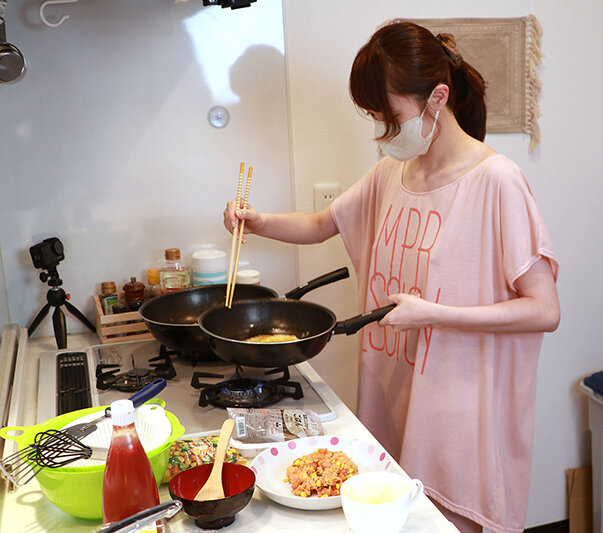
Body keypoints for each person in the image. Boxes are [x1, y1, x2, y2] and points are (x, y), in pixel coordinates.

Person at [224, 22, 559, 533]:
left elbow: (544, 309)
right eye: (376, 118)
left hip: (460, 420)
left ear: (437, 98)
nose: (383, 132)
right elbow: (321, 224)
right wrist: (256, 221)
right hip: (396, 397)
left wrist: (434, 314)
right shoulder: (393, 173)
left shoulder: (497, 181)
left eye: (390, 117)